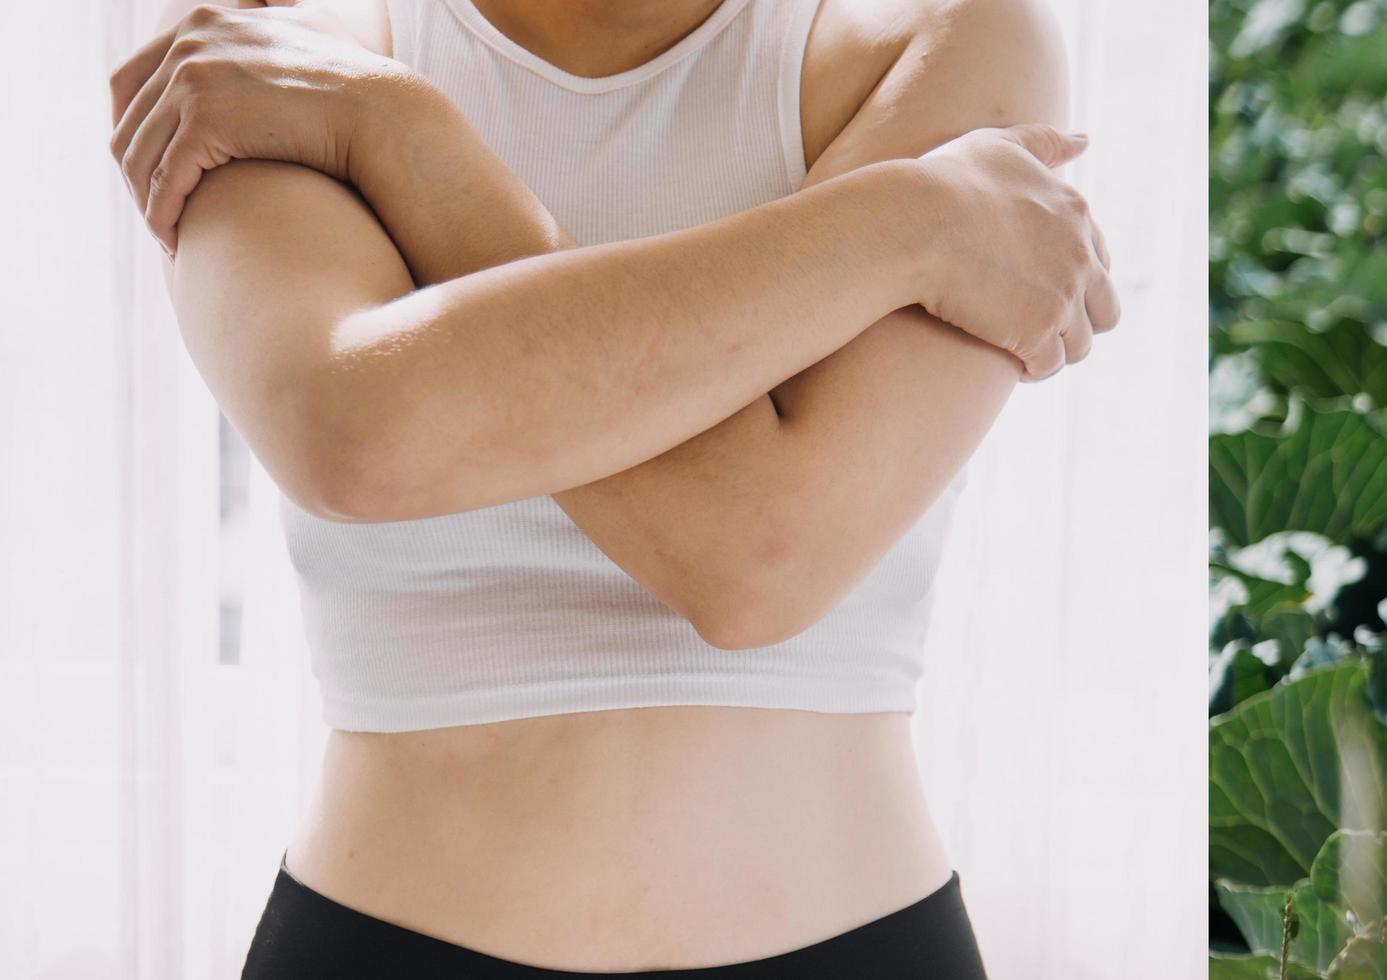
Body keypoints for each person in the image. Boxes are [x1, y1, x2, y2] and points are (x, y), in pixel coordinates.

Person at [105, 0, 1118, 974]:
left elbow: (760, 554)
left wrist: (399, 144)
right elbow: (355, 433)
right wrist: (914, 224)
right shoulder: (274, 45)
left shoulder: (950, 33)